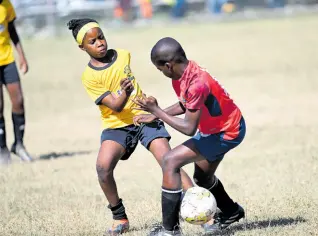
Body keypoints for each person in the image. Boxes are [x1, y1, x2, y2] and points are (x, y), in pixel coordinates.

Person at [66, 19, 194, 235]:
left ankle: (197, 204)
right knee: (103, 167)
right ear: (82, 47)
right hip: (116, 125)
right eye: (92, 41)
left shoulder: (123, 55)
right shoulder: (88, 77)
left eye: (101, 37)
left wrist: (148, 110)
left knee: (169, 160)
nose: (99, 43)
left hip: (144, 117)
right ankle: (119, 216)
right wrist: (124, 92)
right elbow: (115, 106)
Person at [133, 37, 246, 236]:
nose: (162, 73)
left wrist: (157, 111)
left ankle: (170, 231)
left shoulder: (197, 83)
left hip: (227, 132)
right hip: (217, 129)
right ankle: (231, 211)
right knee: (202, 178)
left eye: (160, 70)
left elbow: (188, 128)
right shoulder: (184, 73)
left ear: (169, 65)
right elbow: (187, 104)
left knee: (170, 161)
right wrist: (153, 114)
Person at [0, 0, 33, 165]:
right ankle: (2, 149)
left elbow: (12, 31)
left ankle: (18, 144)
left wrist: (22, 56)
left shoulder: (6, 5)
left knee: (18, 101)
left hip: (7, 60)